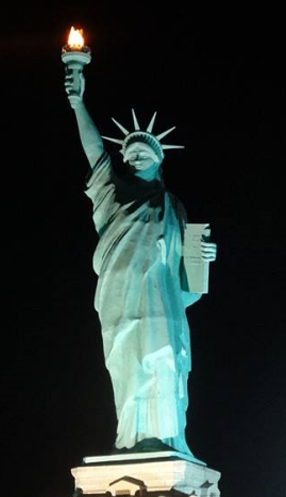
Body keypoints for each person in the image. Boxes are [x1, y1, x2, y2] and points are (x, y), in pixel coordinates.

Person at [65, 67, 216, 457]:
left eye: (143, 152)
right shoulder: (112, 195)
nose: (134, 156)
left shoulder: (174, 206)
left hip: (162, 295)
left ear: (159, 160)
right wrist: (77, 101)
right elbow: (95, 151)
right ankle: (130, 438)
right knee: (127, 362)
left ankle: (166, 437)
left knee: (167, 357)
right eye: (129, 153)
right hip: (120, 291)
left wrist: (204, 258)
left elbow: (189, 277)